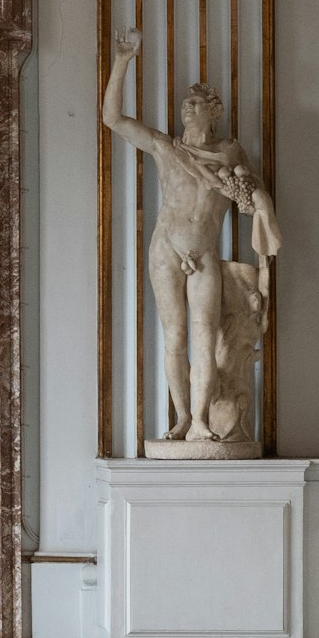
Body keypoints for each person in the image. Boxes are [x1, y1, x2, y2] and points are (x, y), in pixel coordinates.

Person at [103, 32, 280, 443]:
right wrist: (122, 62)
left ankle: (200, 420)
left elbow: (251, 198)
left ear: (213, 114)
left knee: (204, 333)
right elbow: (113, 119)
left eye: (197, 103)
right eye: (186, 103)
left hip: (204, 256)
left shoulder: (230, 154)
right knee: (175, 335)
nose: (188, 106)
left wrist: (256, 197)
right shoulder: (168, 149)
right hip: (166, 249)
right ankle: (182, 417)